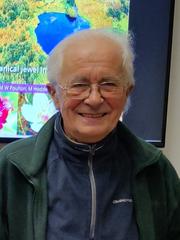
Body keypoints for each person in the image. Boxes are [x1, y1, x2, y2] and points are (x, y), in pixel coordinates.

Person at [0, 29, 179, 240]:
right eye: (79, 85)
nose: (94, 99)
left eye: (109, 84)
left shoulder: (155, 169)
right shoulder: (11, 168)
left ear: (127, 92)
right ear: (54, 94)